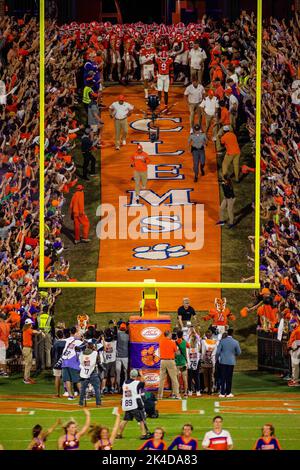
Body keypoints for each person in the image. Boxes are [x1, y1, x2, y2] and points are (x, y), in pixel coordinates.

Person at [117, 369, 151, 440]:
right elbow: (144, 383)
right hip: (135, 404)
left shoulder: (125, 383)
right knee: (141, 420)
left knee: (125, 420)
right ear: (136, 376)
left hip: (126, 404)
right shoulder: (137, 383)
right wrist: (141, 374)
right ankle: (143, 434)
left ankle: (119, 434)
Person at [216, 328, 241, 398]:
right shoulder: (235, 342)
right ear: (232, 333)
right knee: (229, 378)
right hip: (231, 362)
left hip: (223, 361)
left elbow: (217, 352)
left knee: (223, 377)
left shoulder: (222, 341)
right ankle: (229, 392)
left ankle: (222, 393)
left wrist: (217, 358)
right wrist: (233, 354)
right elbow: (239, 352)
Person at [61, 326, 84, 400]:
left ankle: (70, 396)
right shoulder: (79, 342)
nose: (80, 334)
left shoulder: (68, 340)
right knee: (77, 380)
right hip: (73, 362)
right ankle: (82, 395)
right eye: (78, 333)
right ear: (76, 333)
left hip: (64, 361)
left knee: (67, 379)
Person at [157, 331, 180, 400]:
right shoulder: (172, 342)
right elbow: (177, 353)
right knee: (174, 379)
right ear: (169, 335)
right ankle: (177, 395)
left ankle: (159, 396)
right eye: (170, 334)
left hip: (163, 361)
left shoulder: (161, 341)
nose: (171, 335)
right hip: (170, 361)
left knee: (161, 379)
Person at [79, 340, 101, 407]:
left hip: (84, 373)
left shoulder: (82, 353)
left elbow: (80, 362)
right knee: (97, 388)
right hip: (92, 372)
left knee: (83, 389)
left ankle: (80, 403)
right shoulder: (95, 353)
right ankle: (98, 403)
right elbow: (98, 361)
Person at [22, 319, 44, 384]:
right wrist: (41, 332)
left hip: (28, 348)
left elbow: (34, 332)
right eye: (31, 324)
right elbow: (35, 332)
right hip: (27, 349)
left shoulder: (26, 330)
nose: (32, 325)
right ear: (29, 324)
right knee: (28, 364)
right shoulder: (28, 330)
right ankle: (26, 379)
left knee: (29, 363)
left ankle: (27, 377)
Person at [201, 330, 218, 395]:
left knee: (206, 375)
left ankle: (207, 388)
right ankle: (212, 388)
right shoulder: (214, 342)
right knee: (211, 375)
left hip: (205, 360)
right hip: (212, 360)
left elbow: (203, 352)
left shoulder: (204, 341)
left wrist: (202, 359)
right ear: (211, 335)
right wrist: (211, 357)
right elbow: (214, 352)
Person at [101, 328, 117, 394]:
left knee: (104, 376)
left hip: (105, 361)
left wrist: (102, 338)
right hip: (112, 360)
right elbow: (114, 336)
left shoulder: (102, 342)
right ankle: (112, 388)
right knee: (112, 375)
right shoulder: (114, 342)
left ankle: (103, 388)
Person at [175, 330, 189, 398]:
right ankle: (186, 393)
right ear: (182, 335)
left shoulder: (175, 342)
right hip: (183, 363)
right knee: (184, 378)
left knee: (176, 378)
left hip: (177, 363)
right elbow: (189, 346)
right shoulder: (185, 342)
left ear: (177, 335)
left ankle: (178, 392)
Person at [116, 322, 129, 392]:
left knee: (118, 373)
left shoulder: (118, 334)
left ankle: (118, 388)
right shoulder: (128, 336)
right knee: (126, 372)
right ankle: (126, 387)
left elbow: (117, 331)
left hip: (118, 357)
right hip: (125, 356)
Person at [52, 330, 66, 397]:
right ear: (63, 335)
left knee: (57, 377)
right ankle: (67, 392)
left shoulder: (56, 343)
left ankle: (57, 393)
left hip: (57, 362)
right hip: (65, 362)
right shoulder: (66, 342)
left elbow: (52, 353)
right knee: (66, 378)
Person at [287, 320, 300, 387]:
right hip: (295, 349)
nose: (291, 325)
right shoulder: (296, 329)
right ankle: (294, 379)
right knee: (294, 365)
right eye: (291, 324)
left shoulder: (297, 330)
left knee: (295, 365)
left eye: (292, 323)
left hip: (296, 349)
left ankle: (295, 381)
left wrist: (292, 348)